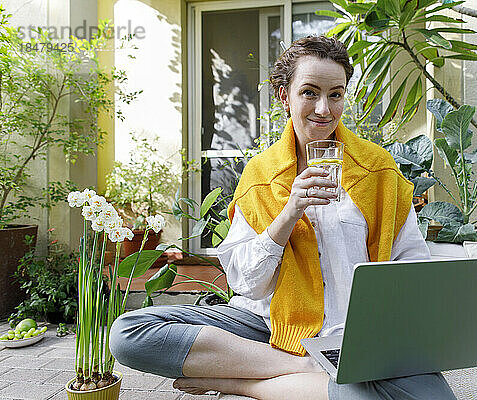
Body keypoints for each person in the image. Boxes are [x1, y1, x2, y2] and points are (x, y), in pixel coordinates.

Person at [109, 35, 457, 400]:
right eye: (309, 92)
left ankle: (241, 381)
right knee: (129, 334)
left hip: (357, 334)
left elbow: (412, 265)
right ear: (283, 96)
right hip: (269, 325)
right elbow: (248, 284)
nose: (324, 108)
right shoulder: (261, 175)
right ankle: (308, 369)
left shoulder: (378, 170)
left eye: (335, 94)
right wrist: (290, 212)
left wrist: (385, 332)